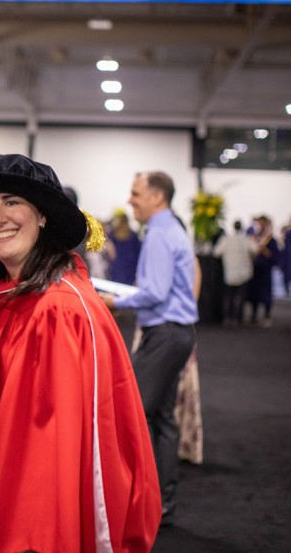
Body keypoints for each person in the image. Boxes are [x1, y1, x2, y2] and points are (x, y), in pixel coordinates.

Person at [0, 154, 160, 552]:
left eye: (11, 201)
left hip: (35, 521)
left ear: (42, 217)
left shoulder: (57, 311)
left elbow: (46, 461)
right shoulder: (6, 297)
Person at [100, 171, 198, 527]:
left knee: (133, 414)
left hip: (165, 334)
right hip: (178, 333)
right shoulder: (172, 229)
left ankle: (135, 501)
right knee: (163, 420)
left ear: (157, 197)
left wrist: (111, 300)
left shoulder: (159, 233)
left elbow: (154, 292)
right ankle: (162, 502)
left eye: (136, 193)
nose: (130, 201)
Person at [212, 219, 256, 325]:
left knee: (228, 297)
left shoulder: (226, 239)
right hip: (244, 273)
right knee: (240, 297)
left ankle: (228, 316)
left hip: (229, 273)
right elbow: (255, 250)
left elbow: (216, 252)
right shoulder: (246, 239)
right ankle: (238, 318)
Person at [246, 215, 280, 326]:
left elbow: (274, 257)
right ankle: (254, 315)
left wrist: (263, 250)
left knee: (266, 294)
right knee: (254, 293)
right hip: (255, 270)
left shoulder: (271, 240)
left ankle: (266, 315)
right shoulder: (254, 237)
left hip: (265, 270)